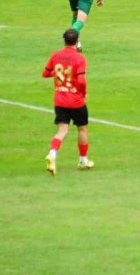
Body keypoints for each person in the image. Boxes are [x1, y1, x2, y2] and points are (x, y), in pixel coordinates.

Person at [42, 29, 93, 175]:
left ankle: (52, 153)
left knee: (62, 130)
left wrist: (60, 72)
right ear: (77, 41)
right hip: (76, 100)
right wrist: (83, 93)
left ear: (64, 40)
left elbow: (45, 73)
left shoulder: (56, 55)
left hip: (60, 99)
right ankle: (83, 160)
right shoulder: (80, 58)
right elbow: (82, 81)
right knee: (82, 128)